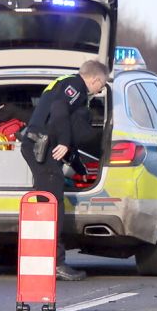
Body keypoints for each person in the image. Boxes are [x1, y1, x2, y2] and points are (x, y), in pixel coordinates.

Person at [20, 59, 110, 281]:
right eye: (102, 85)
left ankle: (41, 260)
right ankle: (56, 263)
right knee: (52, 203)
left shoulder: (63, 84)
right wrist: (65, 142)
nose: (101, 90)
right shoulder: (76, 87)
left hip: (38, 144)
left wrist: (76, 162)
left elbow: (60, 116)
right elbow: (59, 110)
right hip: (39, 144)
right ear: (95, 79)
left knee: (46, 201)